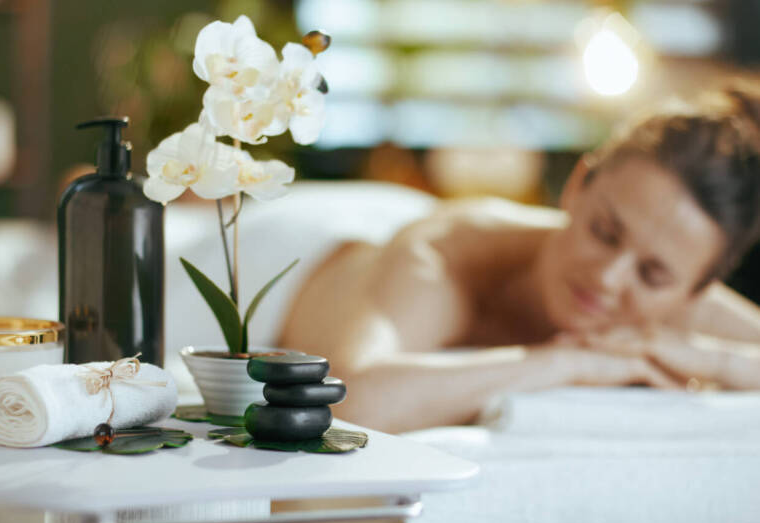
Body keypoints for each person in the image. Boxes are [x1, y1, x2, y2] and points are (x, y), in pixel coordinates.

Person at [278, 87, 760, 433]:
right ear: (576, 185)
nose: (609, 277)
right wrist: (563, 362)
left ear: (698, 289)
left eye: (653, 275)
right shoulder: (445, 256)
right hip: (294, 246)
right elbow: (343, 406)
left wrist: (711, 359)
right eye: (604, 231)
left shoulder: (678, 298)